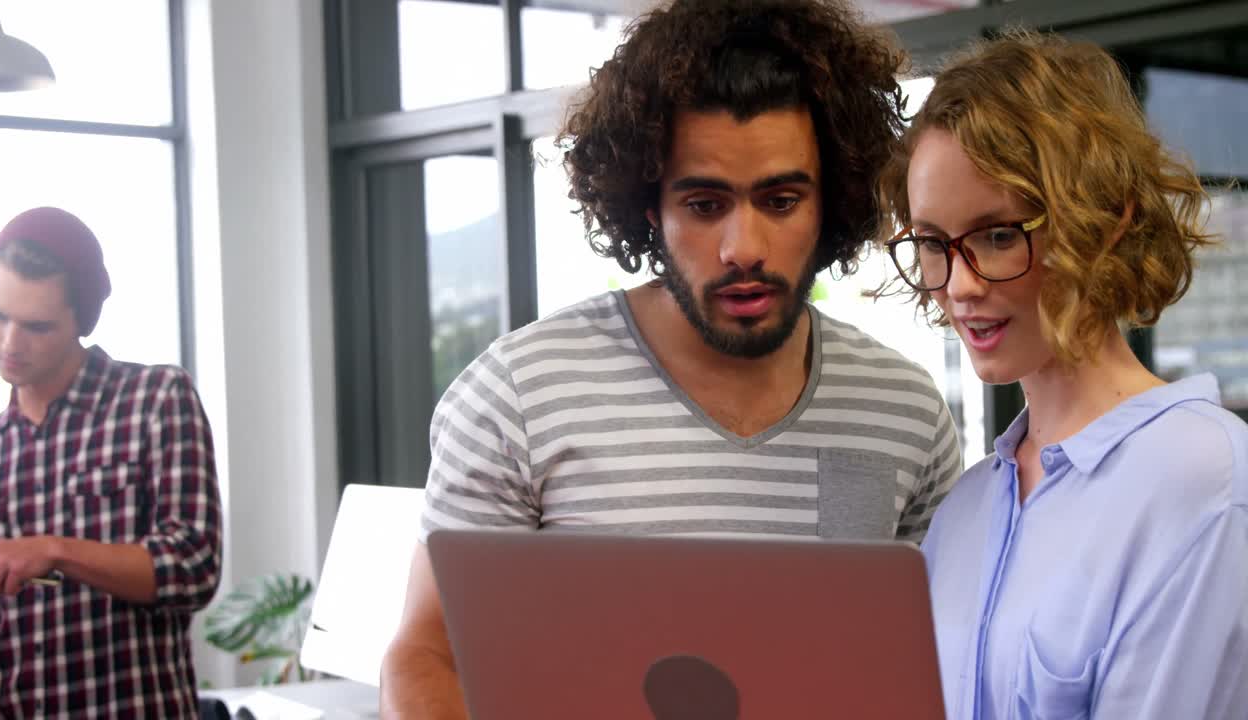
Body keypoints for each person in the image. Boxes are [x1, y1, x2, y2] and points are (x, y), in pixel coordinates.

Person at [380, 0, 963, 717]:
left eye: (781, 200)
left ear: (832, 201)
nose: (744, 248)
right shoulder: (520, 396)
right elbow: (429, 656)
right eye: (705, 205)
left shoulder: (904, 413)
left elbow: (937, 660)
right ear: (650, 208)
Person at [877, 31, 1248, 720]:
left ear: (1103, 223)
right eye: (932, 243)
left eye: (998, 235)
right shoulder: (963, 513)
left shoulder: (1204, 481)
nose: (959, 285)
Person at [0, 207, 223, 718]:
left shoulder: (156, 399)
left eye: (37, 326)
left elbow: (194, 565)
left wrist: (55, 551)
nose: (9, 343)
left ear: (81, 320)